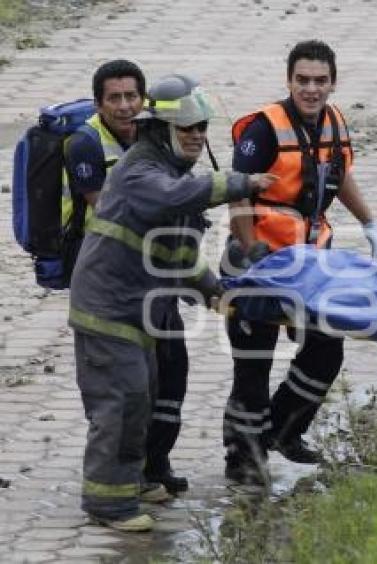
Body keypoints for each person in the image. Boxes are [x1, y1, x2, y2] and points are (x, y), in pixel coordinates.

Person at [69, 73, 275, 532]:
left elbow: (180, 254)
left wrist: (213, 293)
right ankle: (107, 503)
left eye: (202, 128)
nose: (197, 137)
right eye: (187, 129)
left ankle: (132, 484)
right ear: (160, 130)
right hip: (108, 308)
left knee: (140, 399)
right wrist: (241, 182)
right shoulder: (143, 172)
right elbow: (173, 197)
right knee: (120, 403)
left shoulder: (172, 174)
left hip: (136, 309)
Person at [223, 39, 377, 484]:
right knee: (253, 365)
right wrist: (252, 250)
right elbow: (237, 194)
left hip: (310, 266)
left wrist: (370, 223)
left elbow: (341, 173)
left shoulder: (334, 122)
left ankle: (282, 430)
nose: (311, 89)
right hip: (257, 263)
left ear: (333, 82)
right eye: (302, 81)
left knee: (325, 348)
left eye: (319, 81)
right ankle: (242, 461)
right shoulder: (264, 129)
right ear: (289, 81)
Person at [64, 60, 192, 495]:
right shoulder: (85, 146)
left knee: (167, 374)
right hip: (112, 282)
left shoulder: (160, 139)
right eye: (114, 98)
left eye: (131, 96)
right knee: (123, 388)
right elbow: (118, 208)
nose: (124, 106)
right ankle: (115, 484)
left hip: (156, 279)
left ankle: (153, 464)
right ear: (98, 104)